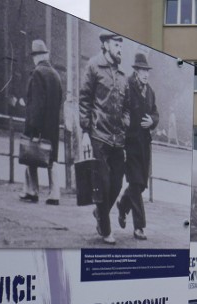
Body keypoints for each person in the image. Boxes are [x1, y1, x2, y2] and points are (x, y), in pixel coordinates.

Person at [79, 32, 129, 244]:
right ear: (106, 44)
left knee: (117, 183)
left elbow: (126, 107)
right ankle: (106, 229)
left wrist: (126, 121)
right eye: (117, 44)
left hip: (118, 138)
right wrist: (84, 131)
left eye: (121, 45)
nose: (120, 48)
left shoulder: (122, 73)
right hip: (98, 135)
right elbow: (84, 100)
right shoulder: (93, 66)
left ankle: (100, 213)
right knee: (103, 183)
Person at [117, 52, 158, 241]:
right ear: (136, 71)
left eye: (147, 70)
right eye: (142, 70)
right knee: (135, 183)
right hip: (130, 143)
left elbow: (156, 114)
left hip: (144, 145)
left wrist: (153, 121)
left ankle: (122, 205)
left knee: (140, 185)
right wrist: (125, 124)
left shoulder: (150, 92)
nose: (146, 74)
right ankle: (139, 227)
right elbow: (121, 109)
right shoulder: (127, 86)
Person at [19, 39, 63, 205]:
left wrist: (33, 127)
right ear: (47, 55)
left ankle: (32, 191)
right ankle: (54, 194)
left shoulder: (37, 73)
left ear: (35, 57)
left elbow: (36, 104)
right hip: (52, 126)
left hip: (38, 124)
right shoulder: (55, 75)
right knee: (52, 160)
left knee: (31, 156)